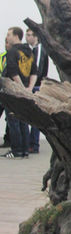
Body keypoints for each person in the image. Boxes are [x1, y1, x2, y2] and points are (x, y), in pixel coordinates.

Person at [2, 26, 37, 159]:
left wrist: (21, 88)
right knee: (24, 121)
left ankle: (16, 150)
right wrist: (29, 88)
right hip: (25, 91)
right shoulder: (29, 51)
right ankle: (25, 150)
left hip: (13, 92)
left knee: (14, 121)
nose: (7, 37)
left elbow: (13, 72)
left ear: (16, 36)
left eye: (9, 35)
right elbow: (34, 72)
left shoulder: (12, 52)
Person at [25, 28, 48, 153]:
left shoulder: (39, 49)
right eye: (26, 35)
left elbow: (37, 70)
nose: (27, 37)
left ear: (36, 37)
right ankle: (30, 143)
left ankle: (34, 145)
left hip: (36, 87)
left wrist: (30, 85)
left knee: (35, 117)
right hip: (33, 86)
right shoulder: (31, 50)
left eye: (29, 35)